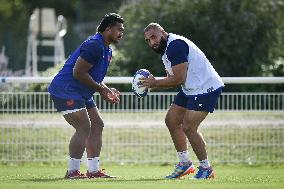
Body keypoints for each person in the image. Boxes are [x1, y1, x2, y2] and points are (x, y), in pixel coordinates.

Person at [141, 23, 224, 179]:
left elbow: (179, 78)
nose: (152, 42)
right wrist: (150, 85)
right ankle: (185, 164)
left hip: (206, 87)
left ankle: (206, 169)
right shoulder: (165, 50)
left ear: (163, 33)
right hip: (191, 88)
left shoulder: (175, 46)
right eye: (148, 40)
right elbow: (173, 79)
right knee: (171, 120)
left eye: (154, 37)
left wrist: (155, 83)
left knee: (189, 127)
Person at [48, 13, 124, 179]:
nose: (121, 33)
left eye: (122, 30)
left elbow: (93, 76)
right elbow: (78, 72)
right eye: (119, 29)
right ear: (108, 29)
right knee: (84, 127)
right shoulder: (94, 45)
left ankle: (93, 170)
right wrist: (102, 90)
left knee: (98, 124)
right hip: (66, 89)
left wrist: (106, 89)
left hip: (81, 91)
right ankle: (72, 171)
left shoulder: (107, 50)